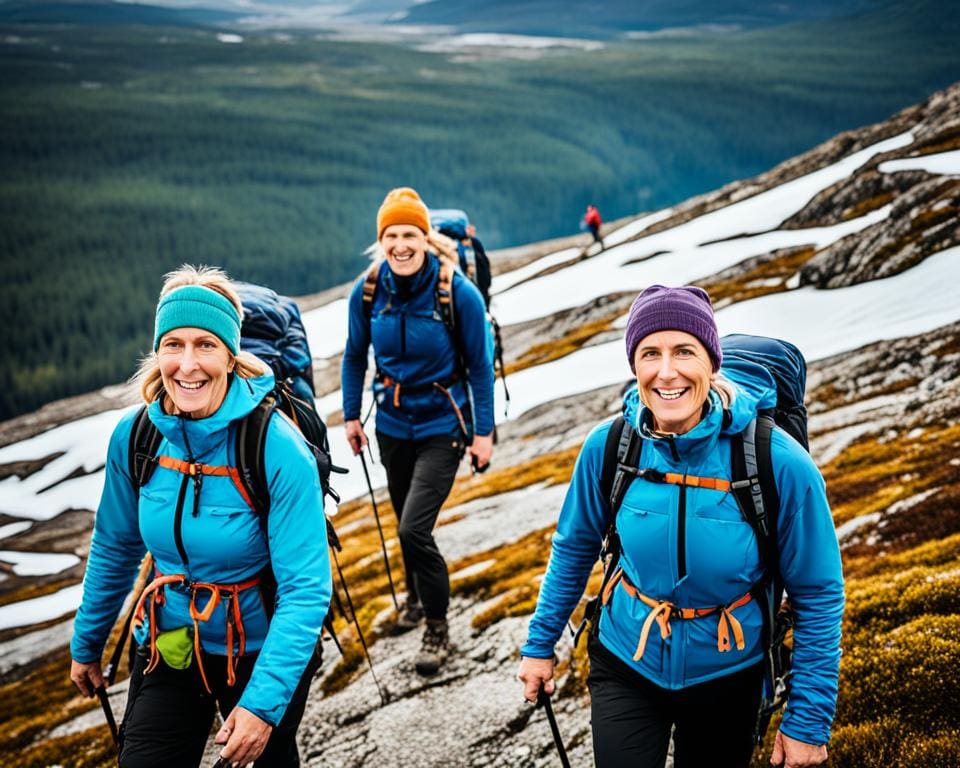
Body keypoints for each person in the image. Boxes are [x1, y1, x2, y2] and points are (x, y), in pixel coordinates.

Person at [517, 285, 844, 767]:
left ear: (712, 364)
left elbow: (818, 593)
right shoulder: (610, 448)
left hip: (729, 672)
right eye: (650, 353)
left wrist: (808, 721)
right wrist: (539, 645)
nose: (666, 372)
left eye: (684, 351)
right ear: (634, 366)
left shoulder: (777, 462)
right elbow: (573, 548)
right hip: (626, 658)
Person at [70, 265, 332, 767]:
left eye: (205, 345)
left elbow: (305, 589)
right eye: (173, 344)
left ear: (231, 356)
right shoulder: (137, 436)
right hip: (171, 641)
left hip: (259, 650)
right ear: (157, 352)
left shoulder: (274, 447)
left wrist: (261, 706)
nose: (187, 365)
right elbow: (115, 544)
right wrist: (88, 642)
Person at [341, 187, 495, 675]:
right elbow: (353, 356)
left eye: (410, 234)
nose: (401, 244)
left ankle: (436, 625)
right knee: (402, 516)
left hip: (442, 424)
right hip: (390, 423)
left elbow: (479, 367)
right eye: (391, 235)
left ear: (426, 239)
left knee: (413, 528)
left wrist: (482, 432)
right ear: (380, 240)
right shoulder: (368, 291)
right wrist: (350, 415)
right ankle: (412, 597)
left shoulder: (457, 292)